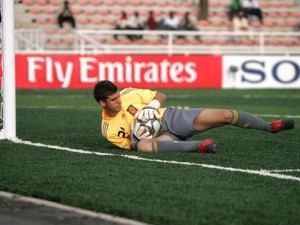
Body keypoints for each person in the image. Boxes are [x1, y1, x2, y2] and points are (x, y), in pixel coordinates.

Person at [93, 80, 295, 154]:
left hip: (171, 117)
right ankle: (200, 146)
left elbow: (161, 95)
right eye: (113, 100)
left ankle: (271, 126)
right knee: (144, 147)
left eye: (118, 96)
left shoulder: (129, 94)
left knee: (225, 115)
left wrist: (152, 107)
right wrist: (139, 134)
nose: (119, 101)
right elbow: (132, 146)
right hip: (158, 139)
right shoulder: (109, 131)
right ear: (103, 103)